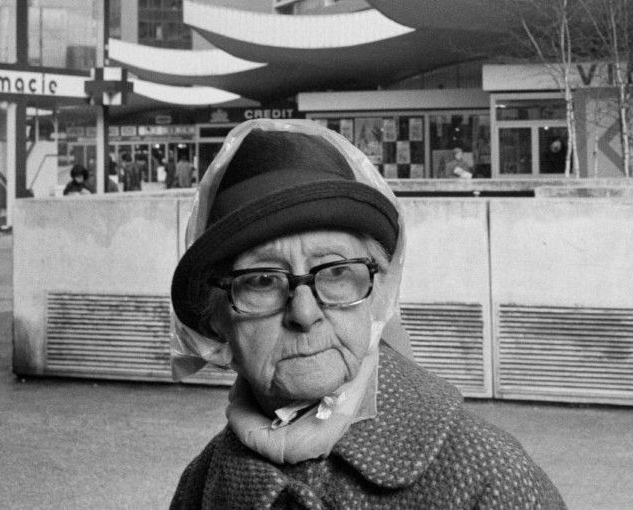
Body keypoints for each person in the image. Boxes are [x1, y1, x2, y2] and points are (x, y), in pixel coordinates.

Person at [169, 119, 565, 509]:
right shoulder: (201, 484)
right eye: (261, 281)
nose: (304, 314)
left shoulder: (489, 476)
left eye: (337, 272)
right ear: (215, 319)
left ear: (378, 294)